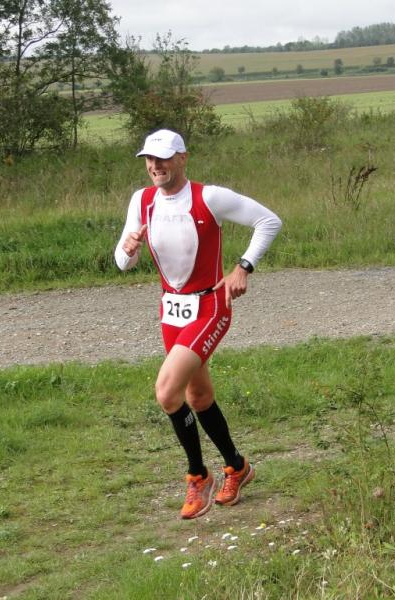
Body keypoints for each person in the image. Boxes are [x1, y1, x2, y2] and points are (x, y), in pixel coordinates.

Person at [114, 129, 282, 519]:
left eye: (163, 158)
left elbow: (269, 221)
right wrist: (129, 249)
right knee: (198, 397)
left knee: (166, 392)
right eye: (149, 159)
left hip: (210, 306)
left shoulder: (209, 197)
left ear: (182, 158)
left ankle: (198, 476)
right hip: (171, 311)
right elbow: (123, 263)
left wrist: (243, 267)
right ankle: (237, 467)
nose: (155, 166)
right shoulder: (142, 200)